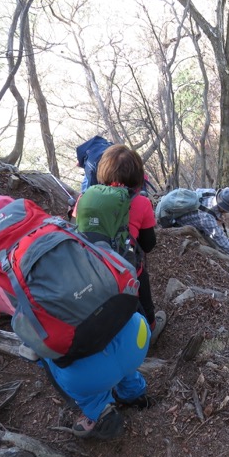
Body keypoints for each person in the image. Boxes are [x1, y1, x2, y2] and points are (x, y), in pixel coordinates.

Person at [0, 195, 151, 440]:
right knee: (116, 338)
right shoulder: (64, 231)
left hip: (88, 376)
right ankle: (136, 394)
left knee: (40, 353)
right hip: (138, 337)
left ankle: (99, 413)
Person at [78, 144, 167, 345]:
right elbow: (149, 244)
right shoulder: (142, 203)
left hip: (92, 269)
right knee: (139, 273)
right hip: (125, 270)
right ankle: (150, 328)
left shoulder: (85, 198)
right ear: (138, 176)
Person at [173, 187, 229, 269]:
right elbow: (223, 242)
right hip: (177, 223)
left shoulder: (211, 193)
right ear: (225, 208)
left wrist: (217, 216)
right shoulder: (207, 218)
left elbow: (200, 196)